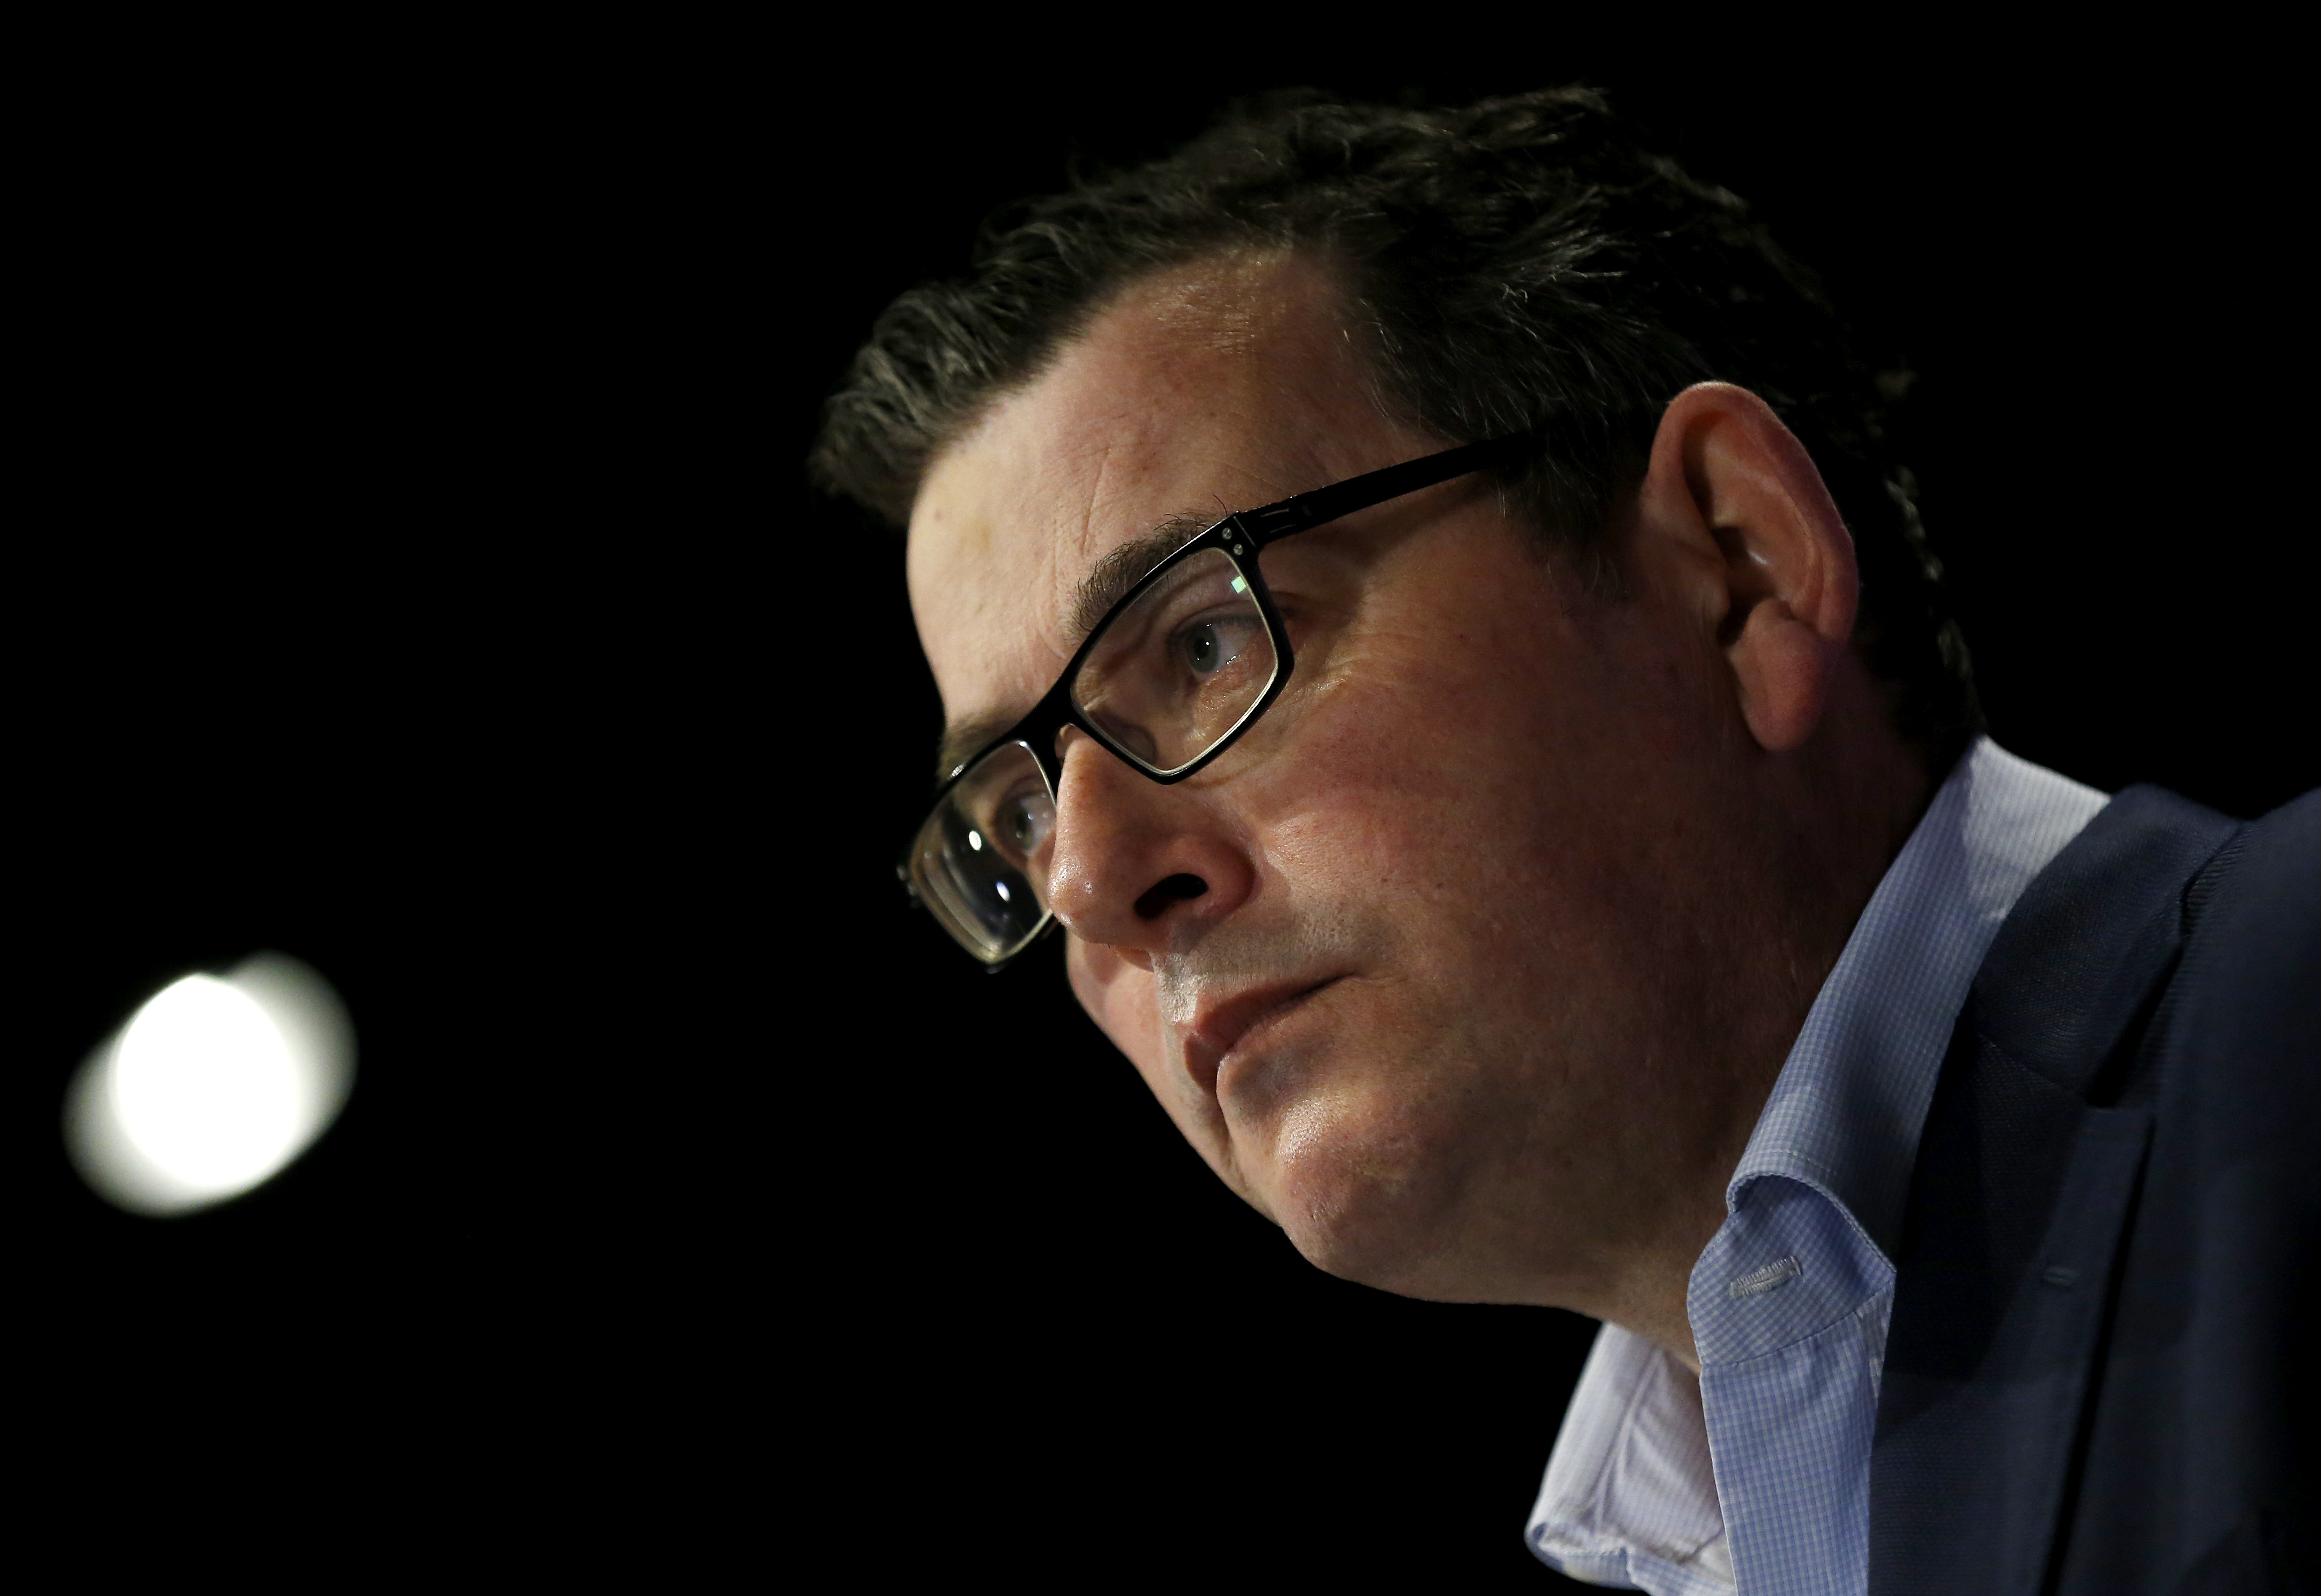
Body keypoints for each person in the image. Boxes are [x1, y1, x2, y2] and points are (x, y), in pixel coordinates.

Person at [811, 90, 2315, 1594]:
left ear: (1737, 565)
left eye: (1207, 643)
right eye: (1019, 811)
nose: (1089, 881)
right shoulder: (1672, 1521)